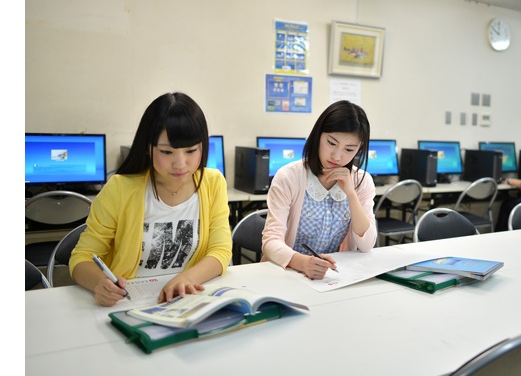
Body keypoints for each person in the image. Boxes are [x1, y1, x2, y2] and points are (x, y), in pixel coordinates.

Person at [69, 92, 232, 307]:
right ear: (148, 148)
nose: (180, 163)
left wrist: (186, 278)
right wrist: (100, 284)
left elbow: (221, 250)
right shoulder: (120, 188)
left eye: (191, 150)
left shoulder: (212, 183)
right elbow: (82, 257)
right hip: (129, 301)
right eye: (167, 152)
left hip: (187, 298)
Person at [261, 100, 377, 280]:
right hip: (287, 272)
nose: (337, 156)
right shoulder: (289, 177)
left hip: (332, 277)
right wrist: (302, 263)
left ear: (359, 149)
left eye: (349, 149)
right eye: (331, 143)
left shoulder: (362, 181)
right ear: (318, 136)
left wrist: (351, 195)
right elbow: (270, 241)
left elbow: (367, 244)